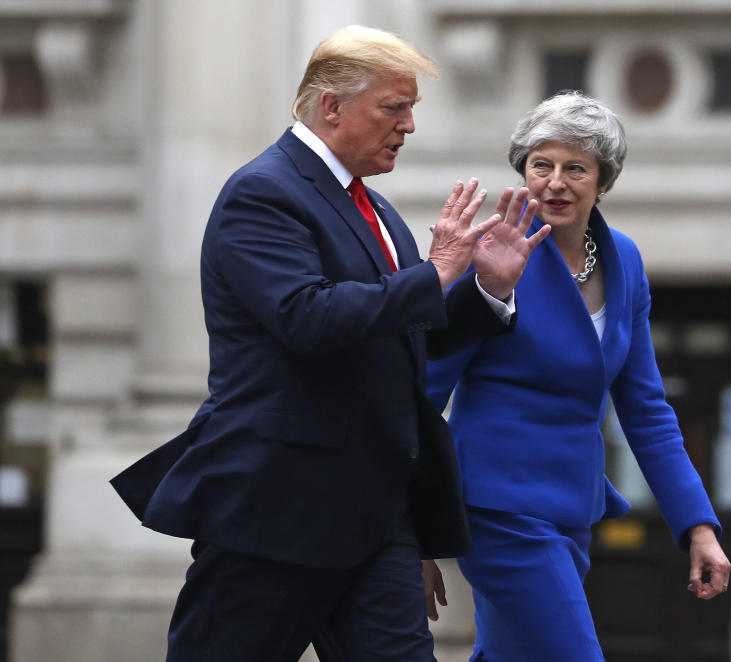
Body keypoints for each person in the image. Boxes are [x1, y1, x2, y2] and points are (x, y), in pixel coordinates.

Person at [110, 25, 549, 662]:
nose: (409, 127)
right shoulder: (262, 193)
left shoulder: (375, 208)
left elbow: (400, 329)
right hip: (275, 511)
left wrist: (485, 289)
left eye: (412, 110)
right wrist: (435, 273)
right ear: (331, 106)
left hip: (378, 518)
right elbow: (307, 318)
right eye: (393, 108)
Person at [424, 91, 731, 661]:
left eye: (575, 168)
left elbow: (646, 410)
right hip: (498, 511)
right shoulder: (491, 254)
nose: (555, 182)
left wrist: (698, 526)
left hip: (573, 512)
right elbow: (423, 390)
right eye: (541, 165)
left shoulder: (626, 262)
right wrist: (412, 531)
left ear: (603, 181)